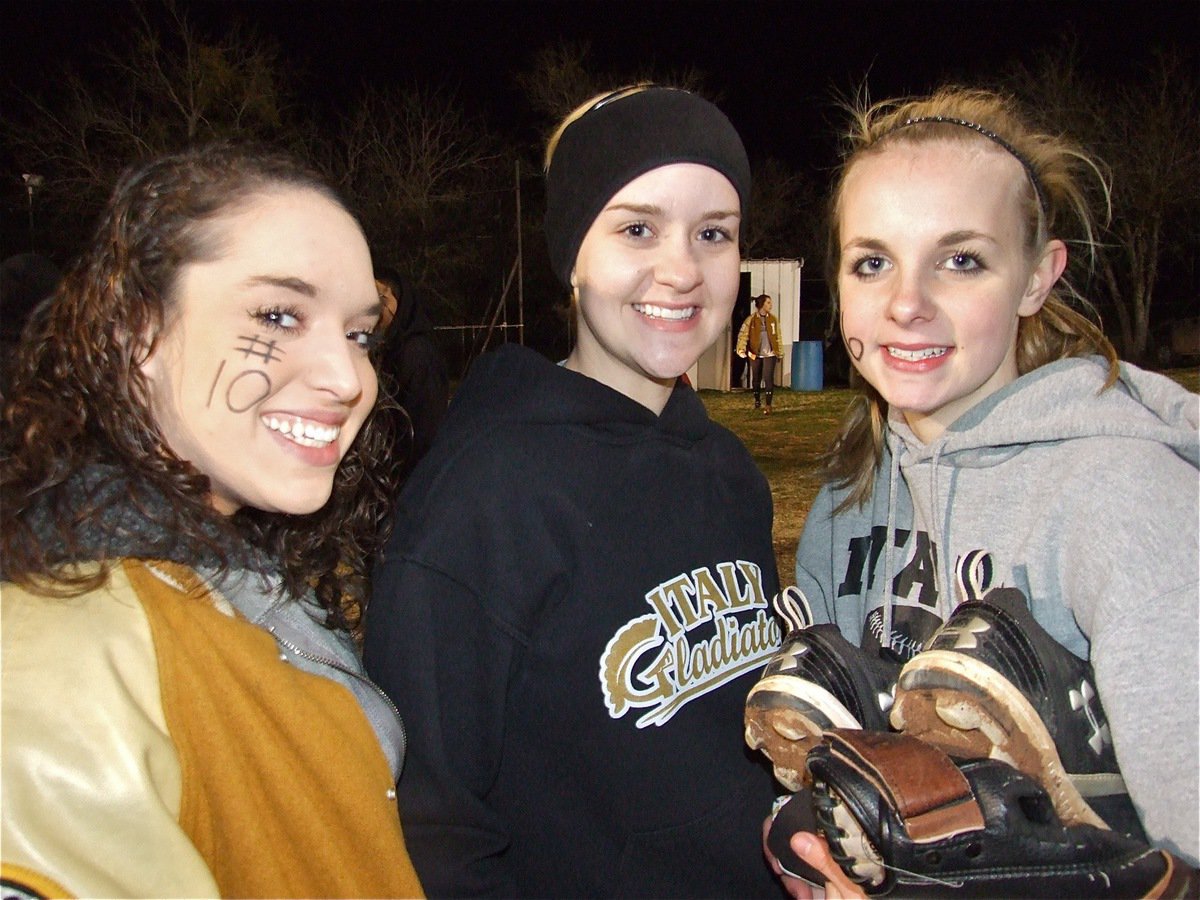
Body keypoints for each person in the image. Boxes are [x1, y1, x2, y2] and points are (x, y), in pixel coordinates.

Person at [766, 86, 1199, 894]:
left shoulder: (1126, 499)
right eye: (873, 262)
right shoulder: (844, 503)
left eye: (961, 259)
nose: (906, 304)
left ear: (1037, 278)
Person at [366, 85, 786, 898]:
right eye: (636, 228)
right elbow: (432, 828)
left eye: (714, 234)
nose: (681, 270)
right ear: (572, 258)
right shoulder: (484, 493)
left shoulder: (731, 472)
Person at [0, 143, 424, 898]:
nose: (346, 377)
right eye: (278, 315)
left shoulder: (226, 562)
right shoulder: (61, 655)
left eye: (360, 334)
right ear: (138, 334)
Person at [374, 264, 450, 479]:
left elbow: (426, 428)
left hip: (413, 476)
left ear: (400, 303)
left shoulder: (417, 354)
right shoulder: (387, 349)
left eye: (382, 299)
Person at [737, 293, 782, 412]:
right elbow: (743, 335)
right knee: (756, 378)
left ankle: (768, 405)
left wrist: (779, 352)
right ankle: (757, 400)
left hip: (770, 353)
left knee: (768, 378)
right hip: (755, 353)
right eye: (768, 302)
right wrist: (741, 349)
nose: (770, 305)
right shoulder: (751, 320)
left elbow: (778, 336)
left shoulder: (773, 319)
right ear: (762, 304)